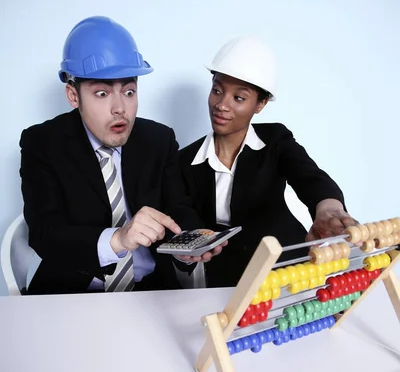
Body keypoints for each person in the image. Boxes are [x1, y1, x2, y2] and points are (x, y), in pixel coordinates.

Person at [20, 16, 223, 295]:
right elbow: (45, 233)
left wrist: (187, 247)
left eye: (129, 91)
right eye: (102, 93)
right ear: (73, 95)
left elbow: (179, 208)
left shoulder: (159, 140)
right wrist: (118, 239)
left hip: (150, 291)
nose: (120, 108)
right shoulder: (42, 143)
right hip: (71, 292)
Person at [178, 36, 358, 288]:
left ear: (260, 104)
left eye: (238, 98)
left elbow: (308, 176)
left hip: (287, 265)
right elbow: (183, 216)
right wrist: (188, 247)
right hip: (226, 278)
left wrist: (328, 208)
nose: (221, 105)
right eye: (217, 90)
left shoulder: (275, 140)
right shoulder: (185, 160)